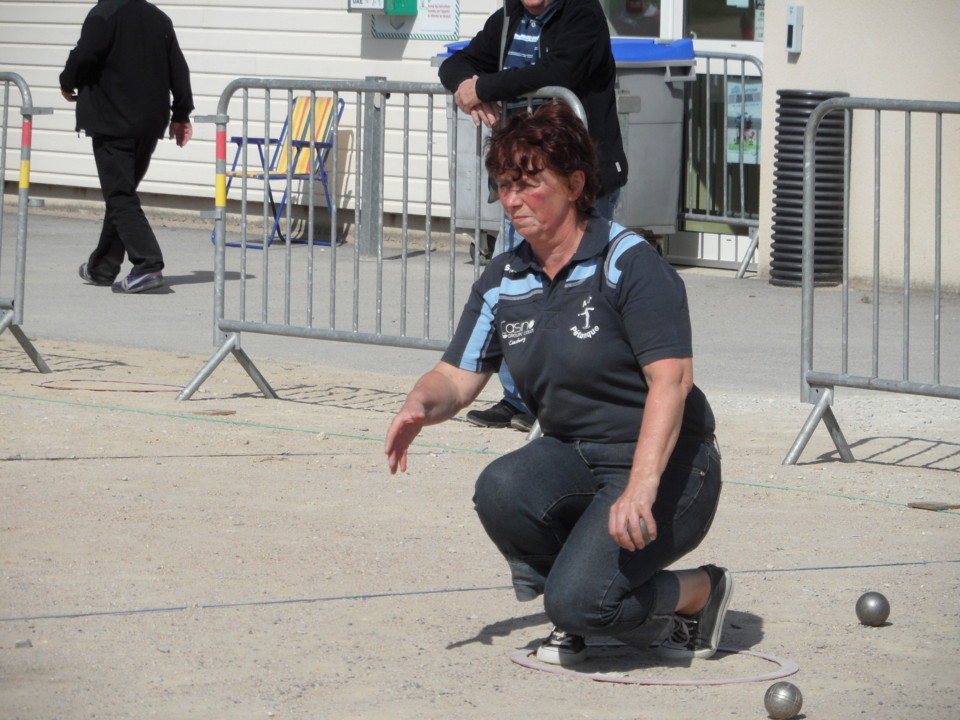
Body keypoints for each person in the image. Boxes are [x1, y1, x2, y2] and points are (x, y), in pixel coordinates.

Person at [386, 103, 730, 667]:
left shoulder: (628, 263)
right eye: (503, 186)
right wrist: (419, 405)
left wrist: (640, 487)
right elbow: (455, 376)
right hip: (574, 454)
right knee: (502, 487)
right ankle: (587, 596)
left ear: (574, 184)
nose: (512, 201)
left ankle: (699, 590)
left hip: (670, 465)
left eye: (528, 184)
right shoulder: (505, 276)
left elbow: (671, 380)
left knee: (579, 605)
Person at [438, 0, 628, 432]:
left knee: (580, 292)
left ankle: (574, 400)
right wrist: (467, 86)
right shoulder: (509, 16)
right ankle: (519, 397)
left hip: (577, 179)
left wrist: (486, 86)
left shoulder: (582, 13)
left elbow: (557, 74)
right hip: (528, 178)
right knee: (519, 285)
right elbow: (458, 61)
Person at [60, 0, 194, 294]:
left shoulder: (104, 12)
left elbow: (84, 55)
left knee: (120, 195)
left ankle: (148, 265)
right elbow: (179, 70)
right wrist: (181, 114)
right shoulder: (158, 18)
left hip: (113, 119)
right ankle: (102, 267)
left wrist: (67, 81)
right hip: (149, 122)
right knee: (121, 194)